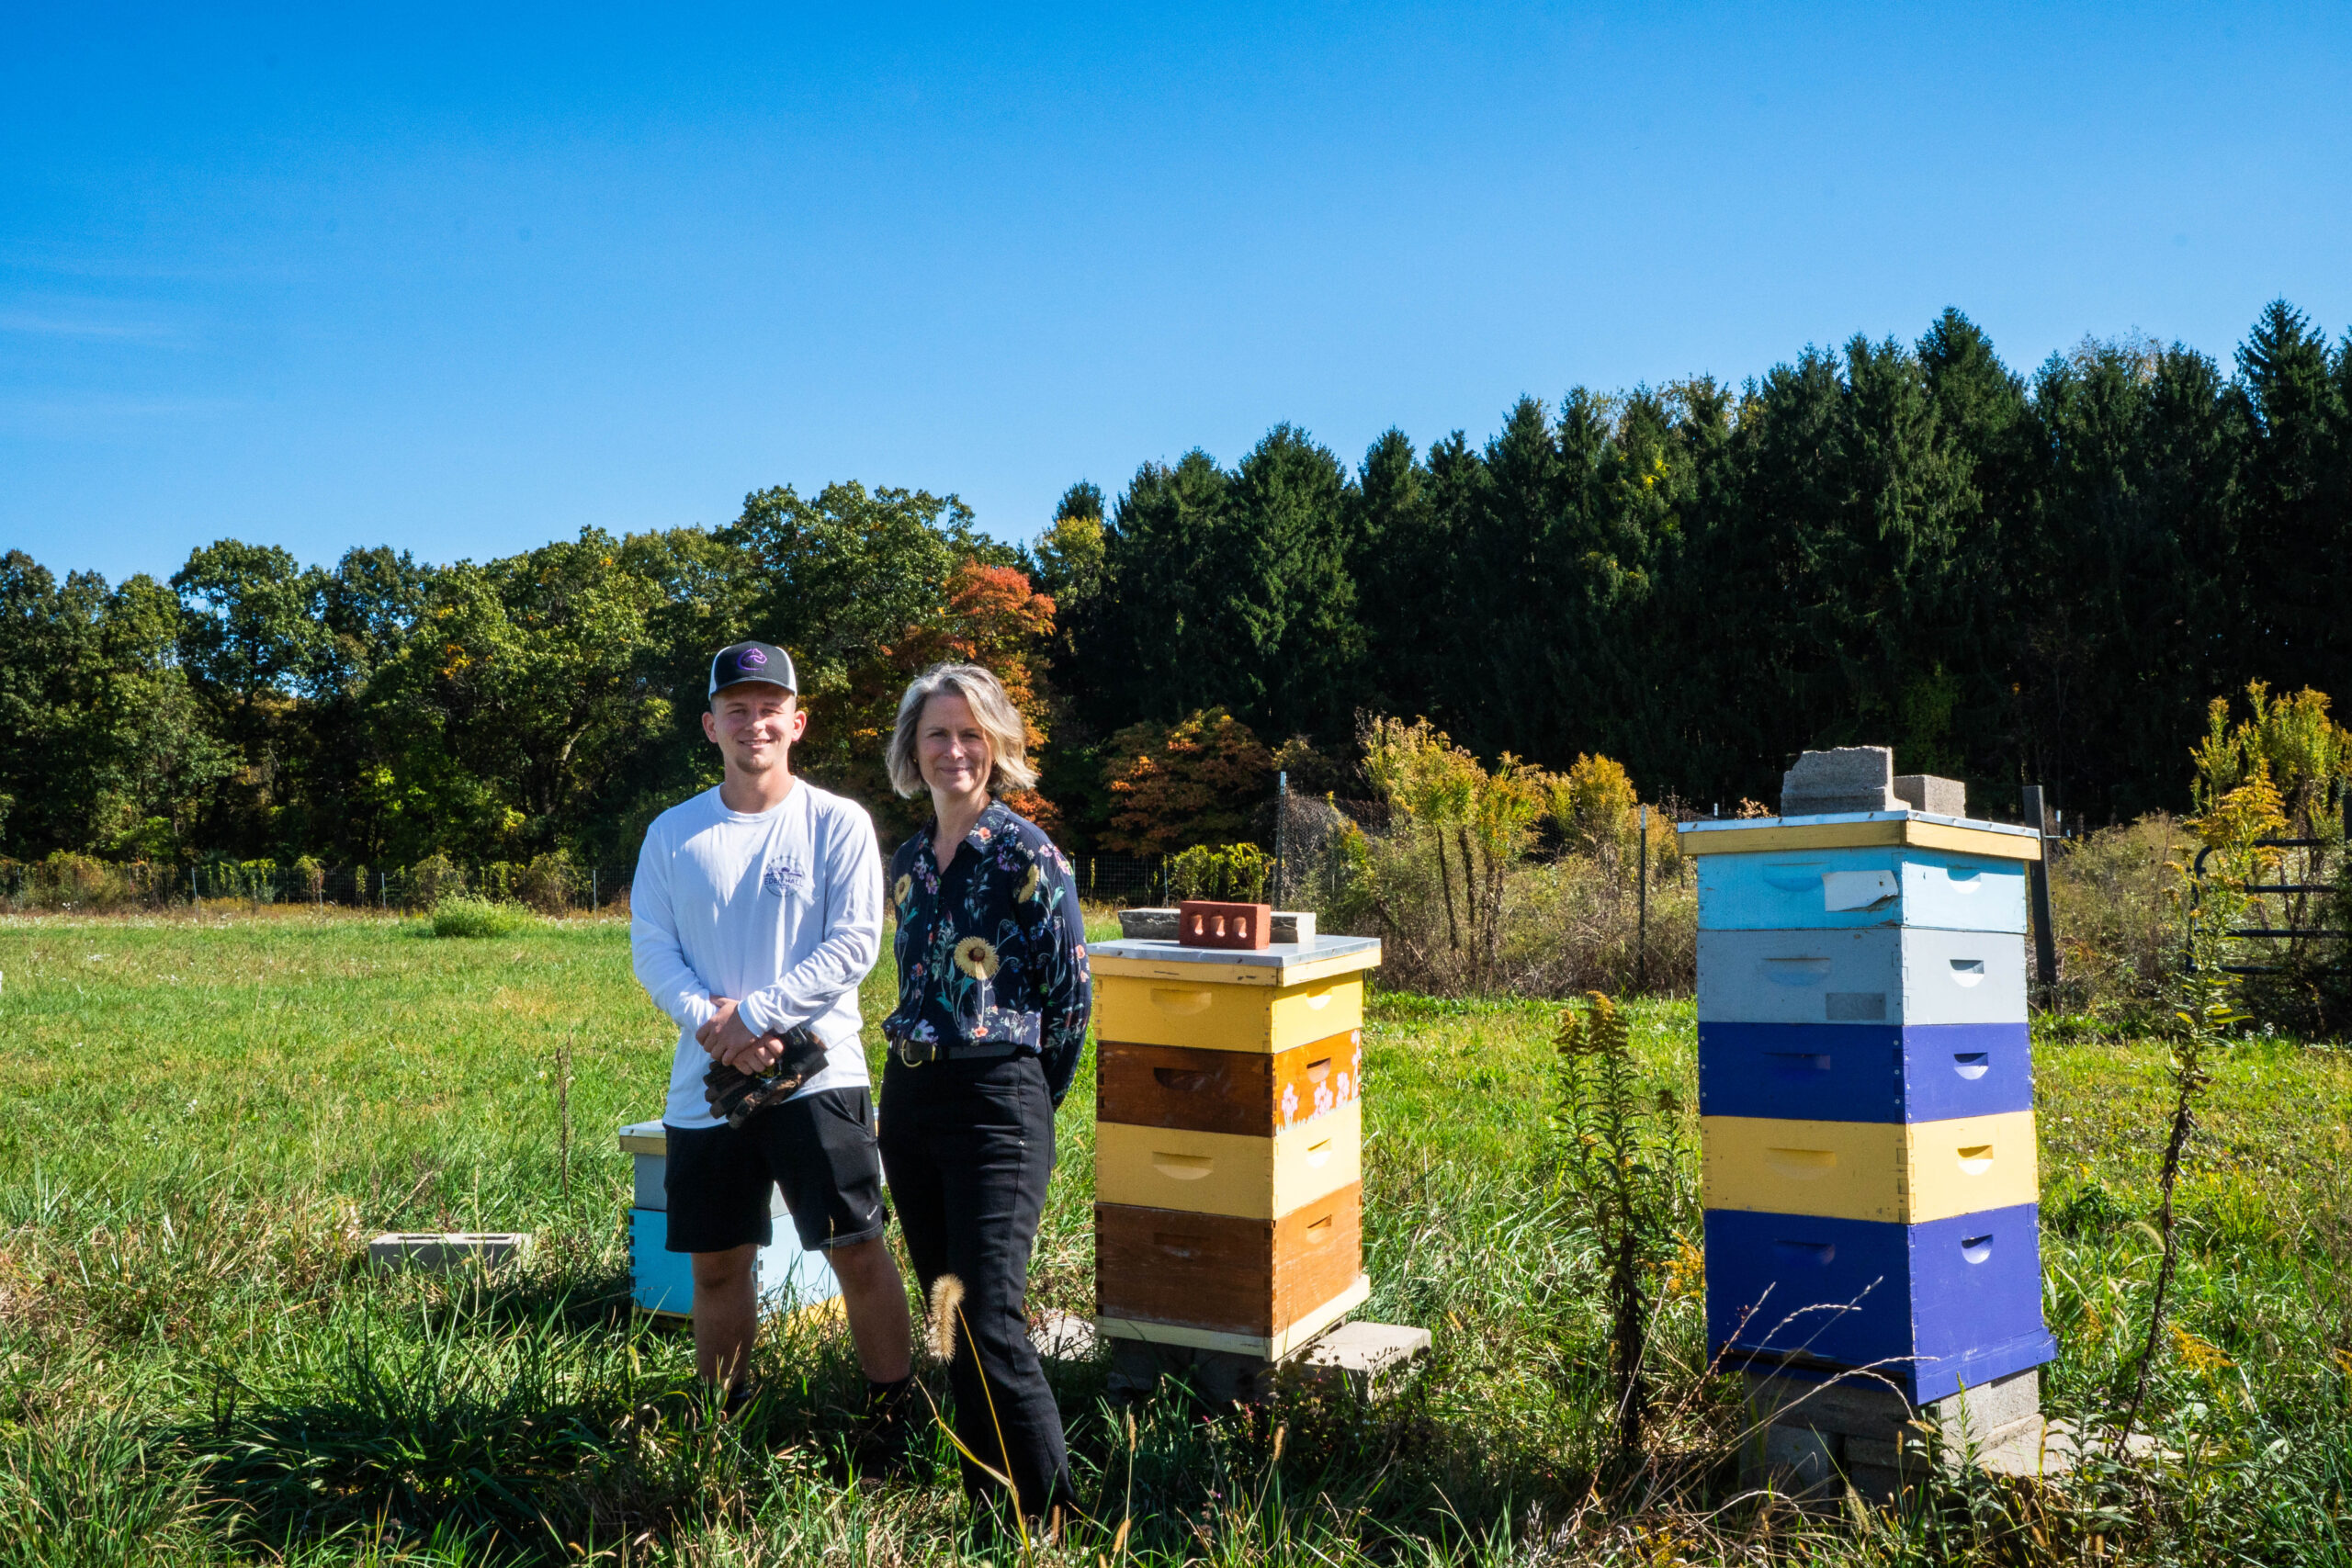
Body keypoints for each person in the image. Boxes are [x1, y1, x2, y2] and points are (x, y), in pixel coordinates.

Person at [629, 639, 915, 1460]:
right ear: (710, 725)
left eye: (769, 708)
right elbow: (653, 948)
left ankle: (890, 1419)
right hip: (707, 1084)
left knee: (855, 1247)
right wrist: (713, 1024)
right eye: (737, 709)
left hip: (819, 1072)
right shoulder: (673, 833)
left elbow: (854, 944)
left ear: (798, 722)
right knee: (718, 1265)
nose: (754, 722)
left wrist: (753, 1015)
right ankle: (724, 1426)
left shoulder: (837, 822)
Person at [878, 662, 1091, 1527]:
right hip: (910, 1097)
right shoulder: (906, 862)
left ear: (997, 745)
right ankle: (990, 1514)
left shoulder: (1028, 853)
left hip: (998, 1099)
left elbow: (1070, 997)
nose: (955, 749)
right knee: (952, 1309)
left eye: (971, 733)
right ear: (914, 748)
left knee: (992, 1317)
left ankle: (1054, 1523)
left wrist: (1027, 1096)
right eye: (938, 733)